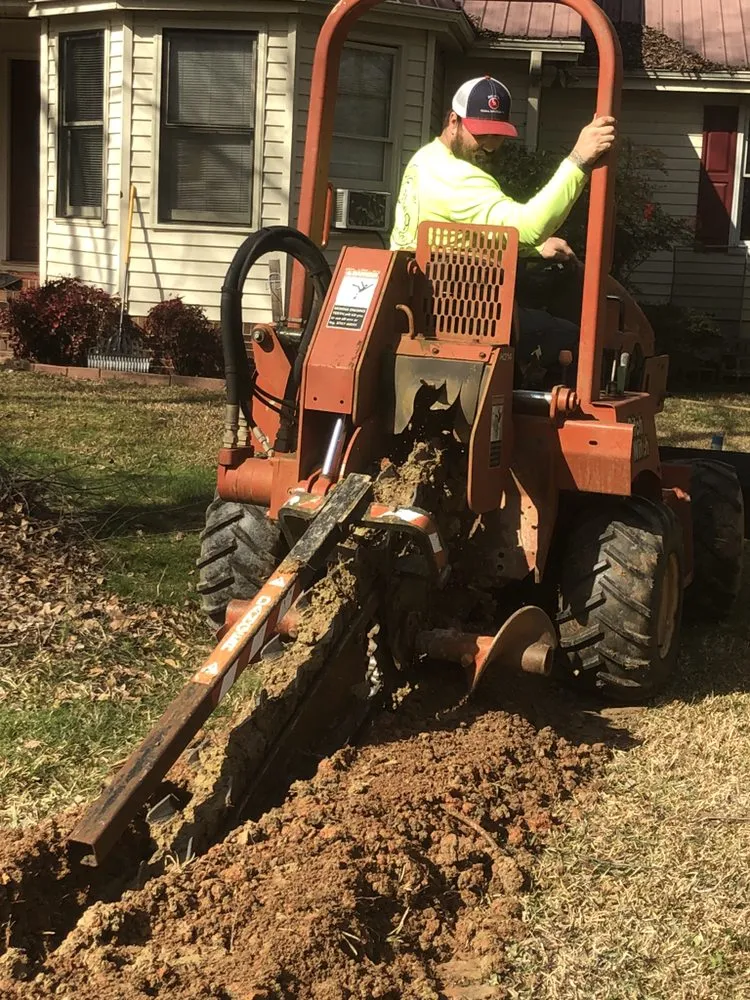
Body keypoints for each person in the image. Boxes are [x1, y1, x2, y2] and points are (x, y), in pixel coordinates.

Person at [390, 76, 617, 375]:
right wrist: (578, 161)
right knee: (573, 338)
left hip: (427, 303)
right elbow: (530, 225)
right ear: (453, 121)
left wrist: (533, 247)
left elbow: (462, 233)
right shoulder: (456, 177)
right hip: (464, 317)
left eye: (497, 135)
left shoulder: (425, 160)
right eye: (481, 133)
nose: (489, 145)